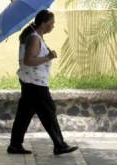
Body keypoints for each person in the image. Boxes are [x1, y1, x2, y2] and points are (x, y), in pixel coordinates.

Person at [7, 10, 78, 155]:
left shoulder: (35, 36)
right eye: (52, 23)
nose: (53, 26)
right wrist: (48, 57)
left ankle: (15, 145)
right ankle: (59, 145)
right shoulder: (34, 38)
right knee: (48, 112)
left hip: (30, 82)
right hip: (36, 84)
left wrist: (46, 55)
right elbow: (29, 60)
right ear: (44, 23)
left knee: (24, 114)